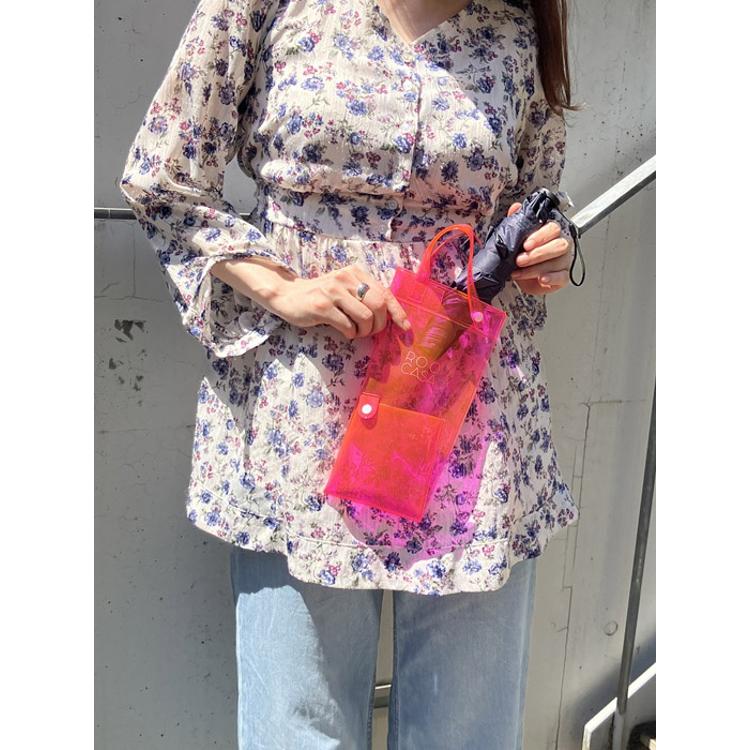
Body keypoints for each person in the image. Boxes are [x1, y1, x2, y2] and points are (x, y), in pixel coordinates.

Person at [119, 0, 580, 746]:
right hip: (306, 422)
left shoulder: (514, 31)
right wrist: (282, 287)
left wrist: (547, 249)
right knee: (298, 729)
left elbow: (535, 197)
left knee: (466, 735)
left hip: (467, 431)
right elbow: (162, 177)